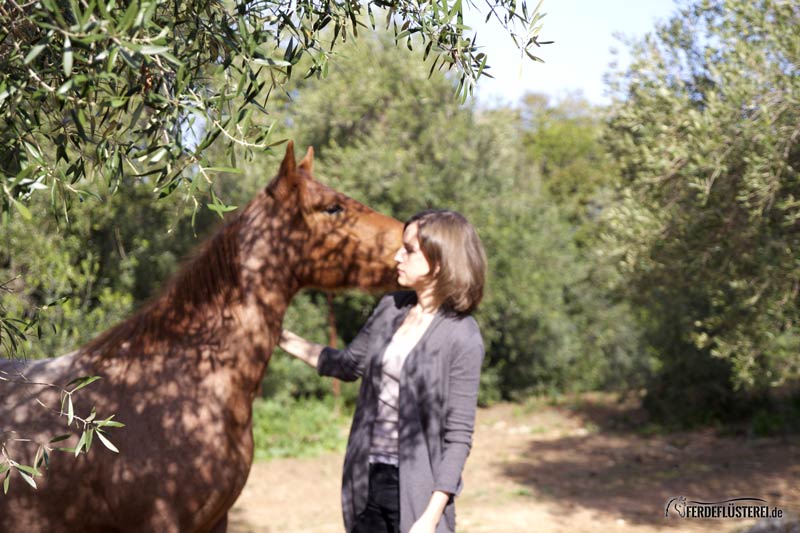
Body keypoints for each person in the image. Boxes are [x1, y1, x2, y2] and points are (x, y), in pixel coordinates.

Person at [278, 209, 487, 533]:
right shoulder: (392, 307)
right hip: (368, 479)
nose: (397, 256)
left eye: (409, 249)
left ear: (440, 261)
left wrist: (430, 518)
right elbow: (348, 365)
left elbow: (458, 438)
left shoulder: (462, 335)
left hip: (417, 493)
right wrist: (281, 337)